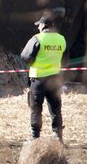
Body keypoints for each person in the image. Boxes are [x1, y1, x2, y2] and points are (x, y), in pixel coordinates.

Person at [20, 13, 67, 141]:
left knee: (36, 108)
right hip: (55, 79)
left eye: (39, 25)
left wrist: (33, 62)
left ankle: (35, 138)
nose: (38, 27)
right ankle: (58, 137)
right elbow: (65, 58)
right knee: (55, 108)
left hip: (38, 79)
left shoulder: (37, 38)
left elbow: (25, 57)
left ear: (42, 25)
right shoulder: (61, 39)